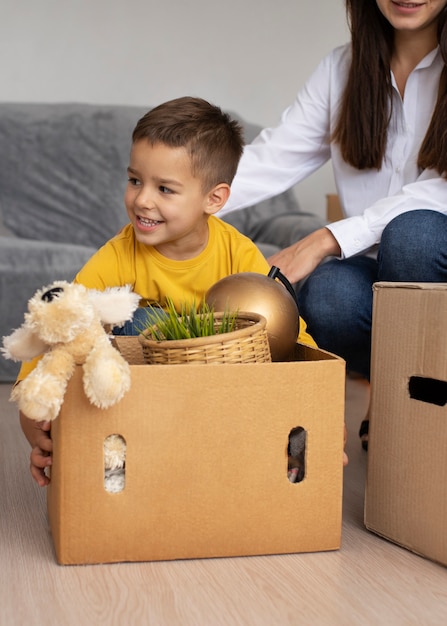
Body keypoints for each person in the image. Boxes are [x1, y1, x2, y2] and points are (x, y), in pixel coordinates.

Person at [17, 96, 317, 486]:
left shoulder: (238, 253)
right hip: (151, 410)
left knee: (260, 334)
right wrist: (31, 406)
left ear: (215, 199)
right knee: (135, 320)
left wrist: (318, 407)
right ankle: (124, 462)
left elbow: (289, 332)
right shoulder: (119, 255)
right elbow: (60, 321)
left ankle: (266, 459)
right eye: (135, 180)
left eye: (165, 189)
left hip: (224, 398)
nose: (142, 199)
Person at [219, 0, 447, 448]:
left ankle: (413, 403)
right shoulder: (341, 69)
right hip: (378, 281)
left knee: (414, 235)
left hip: (435, 267)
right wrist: (180, 202)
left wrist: (328, 237)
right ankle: (395, 389)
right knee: (326, 294)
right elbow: (271, 158)